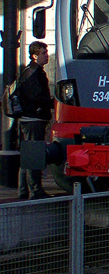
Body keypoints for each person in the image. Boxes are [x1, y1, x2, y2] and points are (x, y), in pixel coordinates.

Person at [17, 41, 52, 200]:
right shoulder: (34, 73)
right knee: (34, 155)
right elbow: (37, 97)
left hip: (28, 119)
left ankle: (24, 191)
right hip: (33, 119)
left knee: (27, 156)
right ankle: (36, 191)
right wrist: (51, 102)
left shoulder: (28, 71)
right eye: (44, 53)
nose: (47, 56)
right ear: (34, 56)